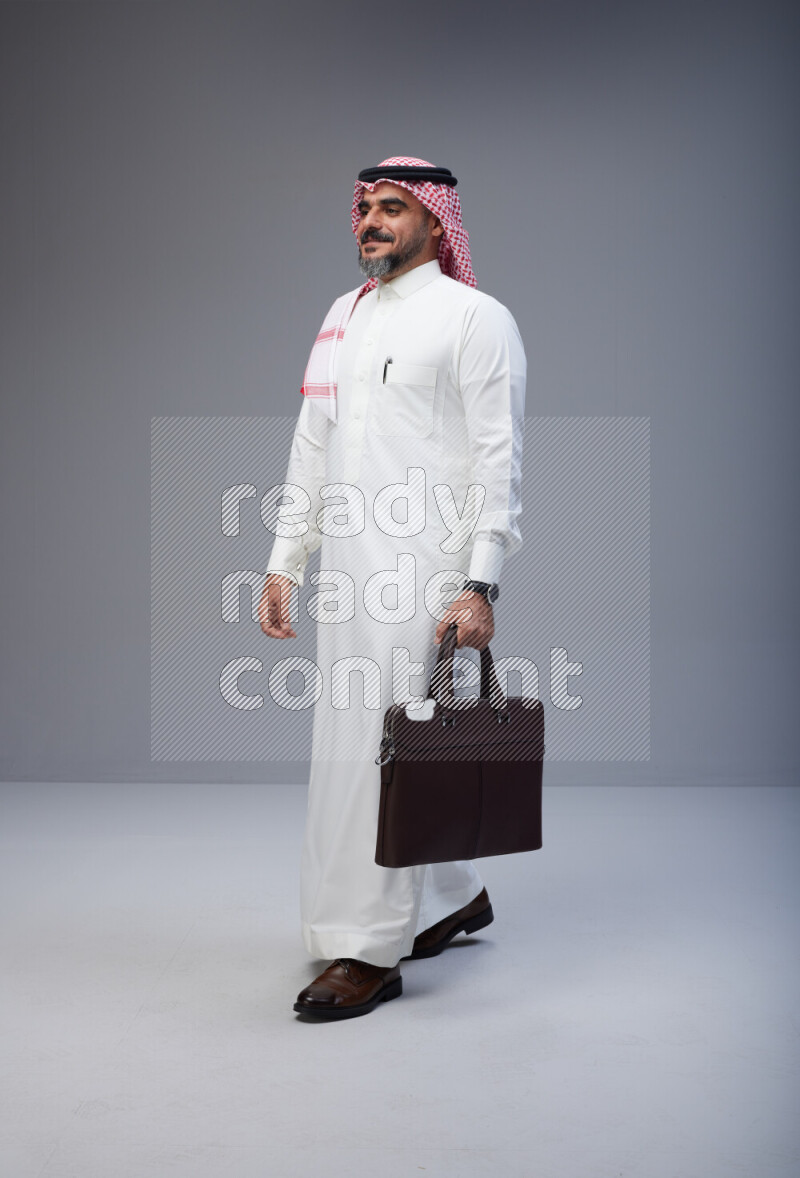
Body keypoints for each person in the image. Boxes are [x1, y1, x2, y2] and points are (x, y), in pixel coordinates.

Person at [259, 156, 526, 1020]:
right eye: (366, 206)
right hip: (347, 570)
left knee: (378, 756)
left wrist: (480, 583)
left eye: (394, 207)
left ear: (436, 222)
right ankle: (453, 895)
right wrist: (283, 559)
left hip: (426, 571)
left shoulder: (474, 319)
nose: (371, 221)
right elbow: (313, 442)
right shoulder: (344, 315)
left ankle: (368, 953)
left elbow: (498, 461)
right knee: (360, 746)